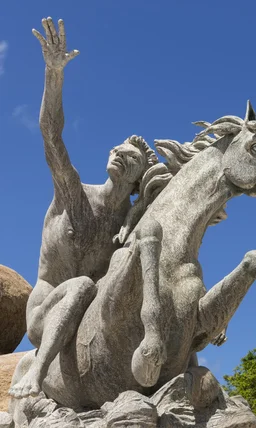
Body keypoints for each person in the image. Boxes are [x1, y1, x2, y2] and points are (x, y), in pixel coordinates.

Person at [9, 17, 158, 398]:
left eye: (132, 159)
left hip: (90, 321)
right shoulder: (74, 192)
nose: (121, 156)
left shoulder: (128, 225)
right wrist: (53, 73)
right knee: (81, 285)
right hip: (47, 310)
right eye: (118, 151)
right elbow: (50, 132)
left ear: (138, 179)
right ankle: (36, 374)